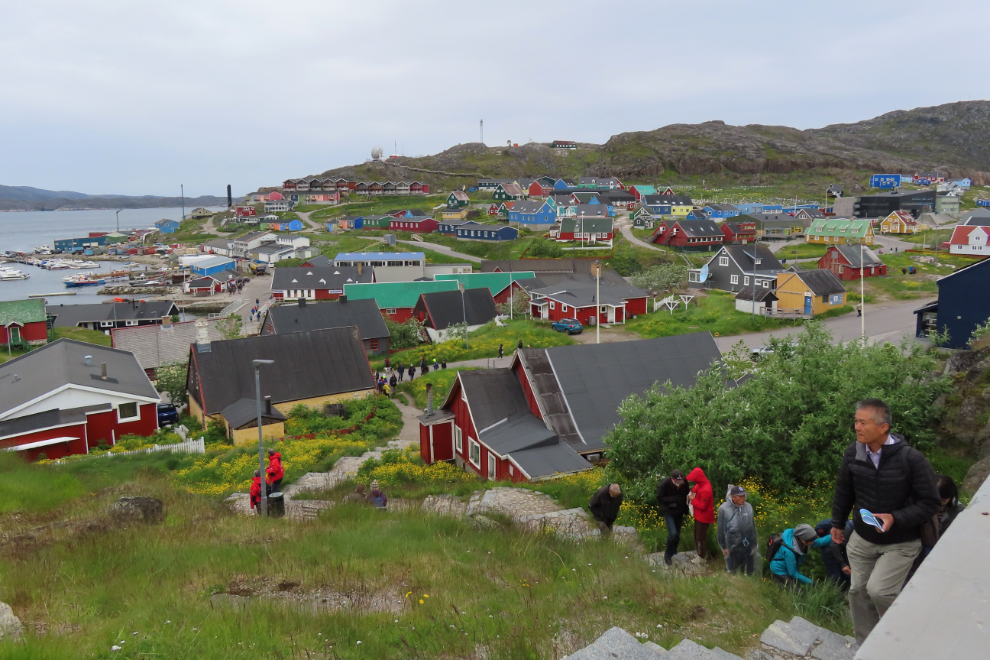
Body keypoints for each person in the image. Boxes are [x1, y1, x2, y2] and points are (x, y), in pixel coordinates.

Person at [831, 398, 940, 645]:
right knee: (858, 591)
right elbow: (844, 490)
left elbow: (931, 502)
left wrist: (895, 517)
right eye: (856, 421)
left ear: (883, 427)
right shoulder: (854, 452)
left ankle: (897, 641)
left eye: (863, 422)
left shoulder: (911, 459)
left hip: (901, 541)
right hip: (862, 537)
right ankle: (867, 645)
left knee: (879, 591)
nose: (856, 427)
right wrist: (837, 523)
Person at [717, 484, 757, 575]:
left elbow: (752, 525)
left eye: (744, 495)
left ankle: (748, 584)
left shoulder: (748, 507)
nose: (743, 498)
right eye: (740, 496)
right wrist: (724, 547)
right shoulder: (724, 509)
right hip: (733, 545)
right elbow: (720, 530)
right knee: (734, 570)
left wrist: (755, 542)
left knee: (749, 570)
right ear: (733, 497)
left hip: (748, 543)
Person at [656, 469, 689, 565]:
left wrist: (686, 508)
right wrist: (674, 499)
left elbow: (687, 494)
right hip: (668, 511)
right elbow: (659, 497)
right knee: (673, 533)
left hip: (679, 511)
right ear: (672, 479)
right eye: (677, 482)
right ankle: (667, 555)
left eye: (680, 481)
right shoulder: (665, 484)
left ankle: (674, 552)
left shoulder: (684, 482)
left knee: (677, 535)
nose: (679, 484)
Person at [816, 518, 854, 590]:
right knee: (835, 576)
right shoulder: (847, 529)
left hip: (839, 548)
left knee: (846, 574)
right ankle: (830, 594)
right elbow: (834, 546)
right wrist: (843, 564)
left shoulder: (853, 527)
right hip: (828, 549)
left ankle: (845, 593)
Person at [687, 467, 714, 559]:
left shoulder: (706, 489)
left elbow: (703, 506)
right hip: (699, 516)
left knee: (701, 538)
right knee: (697, 535)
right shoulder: (702, 483)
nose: (694, 481)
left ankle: (701, 557)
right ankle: (699, 553)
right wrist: (692, 491)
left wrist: (692, 499)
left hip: (704, 517)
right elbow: (696, 487)